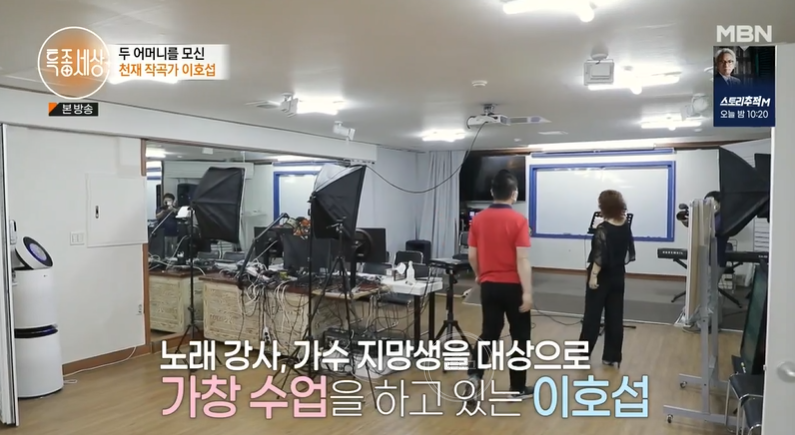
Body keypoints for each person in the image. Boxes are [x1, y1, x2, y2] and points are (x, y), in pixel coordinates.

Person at [464, 169, 534, 400]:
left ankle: (474, 376)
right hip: (513, 287)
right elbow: (522, 259)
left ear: (492, 192)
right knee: (520, 337)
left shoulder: (478, 219)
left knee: (489, 334)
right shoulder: (519, 221)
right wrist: (527, 292)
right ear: (514, 194)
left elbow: (472, 256)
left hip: (489, 287)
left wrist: (479, 275)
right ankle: (517, 388)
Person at [579, 190, 636, 368]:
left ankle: (583, 354)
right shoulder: (625, 225)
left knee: (592, 316)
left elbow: (599, 256)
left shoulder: (602, 229)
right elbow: (627, 252)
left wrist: (593, 276)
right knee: (615, 317)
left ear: (604, 207)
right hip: (618, 276)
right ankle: (612, 357)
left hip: (601, 277)